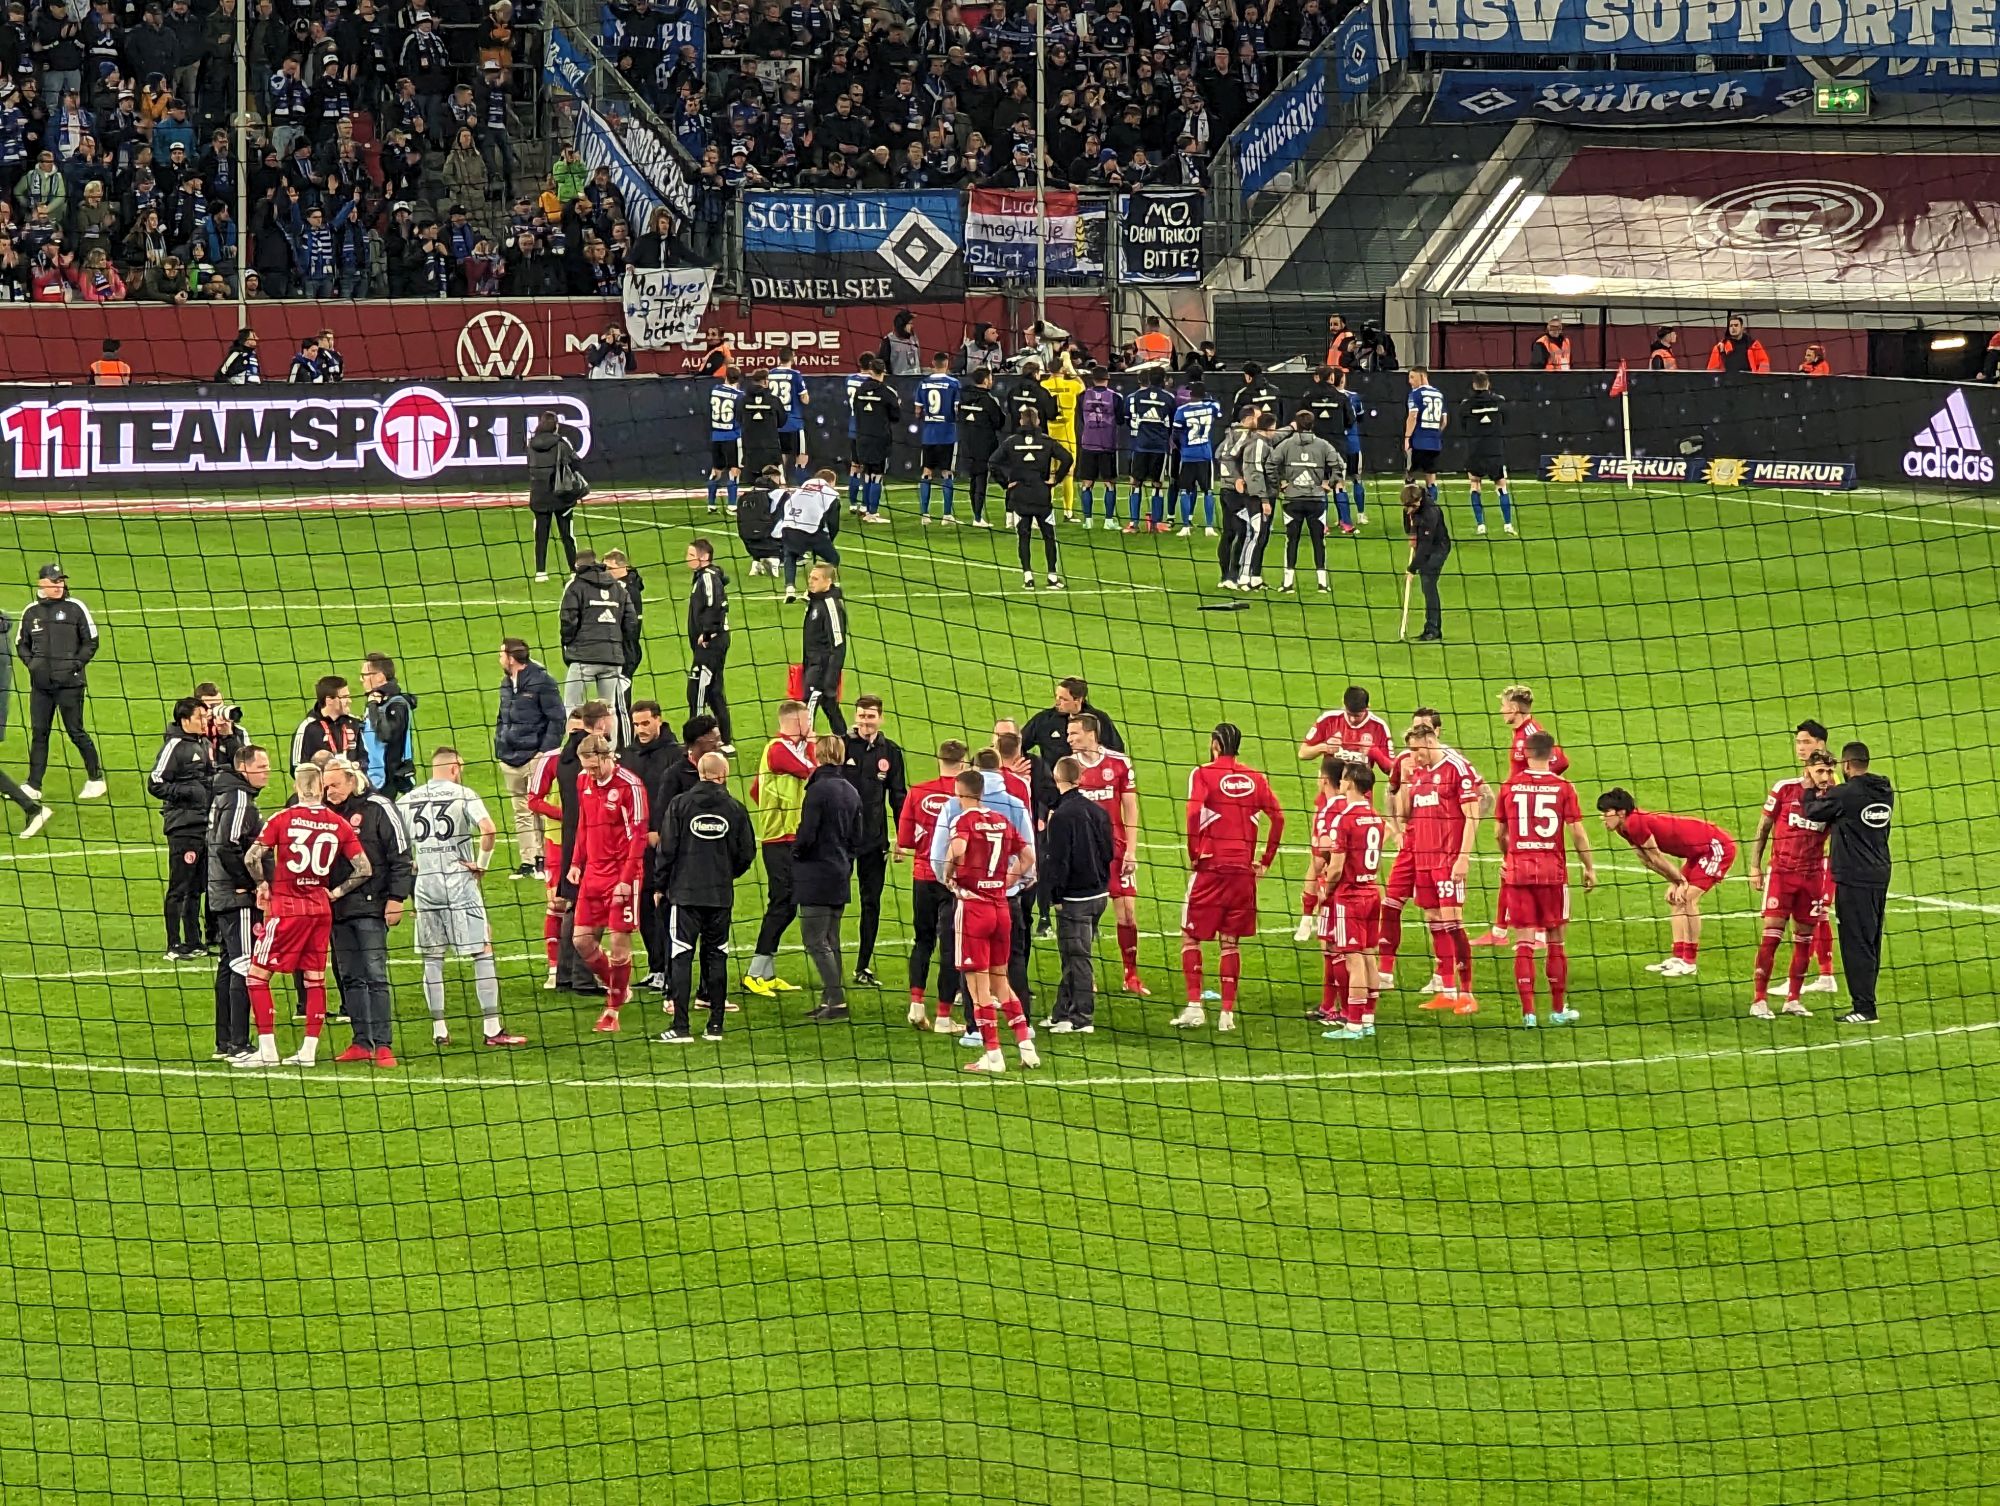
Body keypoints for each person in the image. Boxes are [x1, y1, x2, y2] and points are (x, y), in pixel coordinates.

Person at [232, 761, 371, 1069]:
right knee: (315, 979)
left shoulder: (283, 818)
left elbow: (252, 856)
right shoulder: (338, 823)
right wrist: (334, 893)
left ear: (297, 786)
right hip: (320, 911)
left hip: (288, 909)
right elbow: (364, 868)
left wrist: (261, 884)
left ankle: (267, 1050)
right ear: (322, 787)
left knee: (256, 976)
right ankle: (308, 1051)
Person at [400, 746, 524, 1049]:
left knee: (432, 958)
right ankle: (492, 1028)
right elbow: (489, 830)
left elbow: (396, 842)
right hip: (458, 882)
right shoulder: (463, 794)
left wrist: (411, 867)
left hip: (425, 885)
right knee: (482, 951)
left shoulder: (408, 799)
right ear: (455, 768)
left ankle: (439, 1030)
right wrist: (481, 863)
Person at [1177, 723, 1284, 1032]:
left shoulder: (1202, 774)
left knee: (1191, 936)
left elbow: (1192, 813)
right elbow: (1278, 817)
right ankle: (1227, 1014)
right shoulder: (1256, 777)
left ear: (1214, 744)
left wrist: (1195, 852)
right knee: (1230, 942)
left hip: (1212, 868)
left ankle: (1195, 1006)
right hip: (1242, 872)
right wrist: (1265, 860)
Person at [1493, 732, 1595, 1029]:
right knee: (1555, 942)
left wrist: (1508, 856)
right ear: (1552, 756)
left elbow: (1500, 834)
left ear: (1524, 753)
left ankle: (1528, 1014)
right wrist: (1589, 867)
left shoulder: (1509, 786)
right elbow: (1577, 832)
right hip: (1553, 873)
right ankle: (1557, 1008)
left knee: (1523, 942)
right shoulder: (1563, 787)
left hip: (1519, 871)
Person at [941, 769, 1039, 1074]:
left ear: (960, 792)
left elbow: (958, 850)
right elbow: (1028, 858)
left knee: (978, 987)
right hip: (1001, 908)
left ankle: (993, 1055)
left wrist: (947, 875)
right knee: (1001, 981)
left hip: (973, 909)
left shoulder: (964, 820)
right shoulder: (1001, 820)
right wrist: (1005, 881)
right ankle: (1027, 1047)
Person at [656, 749, 755, 1042]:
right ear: (723, 776)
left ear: (700, 773)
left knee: (681, 956)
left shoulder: (680, 805)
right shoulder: (735, 808)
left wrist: (661, 885)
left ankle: (681, 1026)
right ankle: (715, 1025)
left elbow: (666, 850)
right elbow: (746, 853)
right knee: (717, 956)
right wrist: (725, 874)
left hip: (685, 896)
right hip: (719, 897)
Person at [322, 755, 413, 1064]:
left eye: (334, 785)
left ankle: (383, 1044)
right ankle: (361, 1042)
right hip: (337, 907)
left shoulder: (379, 807)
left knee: (375, 974)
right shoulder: (325, 812)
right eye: (325, 786)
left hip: (373, 907)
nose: (329, 791)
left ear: (351, 780)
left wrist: (397, 897)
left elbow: (401, 855)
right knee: (350, 976)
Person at [1596, 787, 1737, 977]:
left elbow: (1656, 856)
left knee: (1687, 898)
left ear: (1621, 812)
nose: (1602, 818)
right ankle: (1678, 957)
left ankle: (1690, 962)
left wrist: (1680, 881)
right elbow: (1646, 860)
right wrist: (1675, 881)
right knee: (1675, 899)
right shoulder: (1623, 828)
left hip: (1716, 846)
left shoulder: (1635, 823)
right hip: (1696, 852)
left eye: (1606, 813)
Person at [1746, 719, 1840, 1003]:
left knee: (1804, 940)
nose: (1824, 776)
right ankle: (1759, 1000)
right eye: (1820, 770)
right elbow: (1763, 829)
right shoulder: (1785, 789)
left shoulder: (1836, 798)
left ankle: (1794, 1000)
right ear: (1808, 769)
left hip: (1812, 877)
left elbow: (1840, 840)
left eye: (1828, 771)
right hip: (1782, 875)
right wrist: (1754, 867)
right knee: (1771, 937)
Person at [1800, 740, 1894, 1025]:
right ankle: (1867, 1002)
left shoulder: (1847, 793)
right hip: (1880, 874)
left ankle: (1864, 1008)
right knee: (1871, 940)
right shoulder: (1886, 791)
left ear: (1847, 765)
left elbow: (1814, 812)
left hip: (1854, 877)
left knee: (1855, 942)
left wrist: (1806, 789)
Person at [1293, 685, 1394, 940]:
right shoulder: (1329, 720)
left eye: (1357, 715)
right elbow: (1303, 752)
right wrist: (1324, 747)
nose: (1352, 719)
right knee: (1318, 861)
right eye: (1350, 713)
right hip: (1328, 804)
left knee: (1357, 866)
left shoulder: (1379, 728)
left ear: (1366, 710)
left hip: (1359, 806)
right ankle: (1306, 919)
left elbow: (1391, 768)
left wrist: (1373, 753)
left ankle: (1344, 917)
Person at [567, 732, 649, 1032]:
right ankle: (619, 987)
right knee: (582, 941)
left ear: (607, 757)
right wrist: (576, 862)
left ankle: (612, 1010)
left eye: (593, 767)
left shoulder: (630, 786)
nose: (589, 773)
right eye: (585, 767)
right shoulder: (583, 782)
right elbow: (583, 823)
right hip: (593, 874)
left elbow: (638, 836)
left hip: (621, 874)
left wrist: (626, 881)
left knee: (618, 944)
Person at [1402, 722, 1486, 1014]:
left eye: (1415, 750)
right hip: (1423, 860)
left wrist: (1463, 857)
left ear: (1429, 740)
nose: (1414, 756)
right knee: (1433, 919)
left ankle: (1467, 993)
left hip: (1448, 859)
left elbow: (1473, 815)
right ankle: (1447, 990)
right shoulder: (1420, 774)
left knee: (1453, 922)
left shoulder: (1457, 768)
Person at [1067, 710, 1148, 996]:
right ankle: (1085, 978)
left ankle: (1131, 975)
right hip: (1085, 855)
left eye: (1073, 733)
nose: (1069, 738)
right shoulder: (1068, 766)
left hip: (1116, 851)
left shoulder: (1119, 763)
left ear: (1091, 733)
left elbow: (1131, 808)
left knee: (1127, 913)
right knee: (1085, 917)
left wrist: (1132, 850)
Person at [15, 563, 106, 802]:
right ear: (41, 583)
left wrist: (75, 665)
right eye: (54, 582)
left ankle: (95, 779)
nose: (58, 586)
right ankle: (34, 785)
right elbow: (20, 644)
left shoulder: (76, 608)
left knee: (75, 731)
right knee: (39, 733)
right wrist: (32, 665)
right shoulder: (31, 611)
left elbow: (91, 641)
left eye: (61, 581)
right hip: (41, 687)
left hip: (70, 685)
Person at [743, 699, 815, 996]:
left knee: (786, 904)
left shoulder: (788, 748)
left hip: (789, 835)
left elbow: (755, 790)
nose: (811, 727)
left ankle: (767, 973)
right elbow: (812, 770)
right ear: (797, 723)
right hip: (778, 839)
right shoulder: (778, 748)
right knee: (782, 903)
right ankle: (753, 973)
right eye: (808, 721)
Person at [897, 739, 969, 1031]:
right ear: (964, 763)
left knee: (922, 941)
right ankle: (943, 1016)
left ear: (938, 759)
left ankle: (916, 1004)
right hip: (953, 882)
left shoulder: (918, 791)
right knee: (951, 947)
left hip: (922, 876)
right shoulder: (968, 797)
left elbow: (903, 840)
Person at [1317, 761, 1390, 1041]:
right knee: (1370, 954)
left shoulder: (1344, 818)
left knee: (1354, 959)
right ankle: (1369, 1018)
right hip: (1372, 891)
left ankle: (1355, 1025)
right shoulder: (1375, 817)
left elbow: (1335, 867)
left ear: (1347, 783)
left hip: (1350, 896)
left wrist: (1327, 890)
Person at [1041, 753, 1113, 1032]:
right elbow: (1109, 852)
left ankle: (1082, 1018)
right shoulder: (1098, 811)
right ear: (1080, 778)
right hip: (1099, 896)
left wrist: (1055, 898)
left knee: (1077, 957)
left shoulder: (1060, 816)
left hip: (1075, 900)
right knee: (1073, 955)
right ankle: (1061, 1013)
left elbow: (1059, 862)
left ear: (1057, 778)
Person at [207, 742, 269, 1060]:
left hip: (220, 891)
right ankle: (239, 1044)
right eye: (261, 767)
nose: (267, 772)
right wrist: (251, 883)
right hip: (235, 896)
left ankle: (224, 1042)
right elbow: (227, 846)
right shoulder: (240, 798)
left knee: (229, 965)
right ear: (243, 768)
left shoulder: (224, 794)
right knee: (245, 966)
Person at [1376, 705, 1445, 989]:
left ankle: (1443, 976)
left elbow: (1482, 798)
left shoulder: (1450, 763)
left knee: (1438, 914)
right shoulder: (1405, 759)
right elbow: (1394, 799)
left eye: (1424, 729)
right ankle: (1384, 973)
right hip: (1411, 845)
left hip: (1437, 849)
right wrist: (1395, 829)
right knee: (1390, 904)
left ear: (1435, 733)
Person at [793, 733, 861, 1021]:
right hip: (841, 871)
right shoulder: (851, 790)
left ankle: (837, 1000)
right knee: (831, 939)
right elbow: (858, 837)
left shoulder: (818, 790)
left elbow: (807, 833)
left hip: (816, 873)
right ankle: (829, 1000)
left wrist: (795, 852)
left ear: (818, 756)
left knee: (814, 940)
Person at [841, 695, 905, 988]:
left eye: (871, 717)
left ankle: (863, 966)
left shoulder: (891, 752)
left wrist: (902, 838)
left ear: (881, 718)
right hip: (840, 841)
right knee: (833, 902)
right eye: (861, 716)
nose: (866, 722)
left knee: (871, 902)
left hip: (874, 841)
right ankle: (831, 968)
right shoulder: (843, 746)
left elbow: (898, 797)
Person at [494, 637, 566, 880]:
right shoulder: (506, 683)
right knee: (520, 811)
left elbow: (557, 718)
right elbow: (501, 717)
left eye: (501, 654)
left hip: (535, 755)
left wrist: (545, 752)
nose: (499, 658)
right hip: (510, 756)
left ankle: (544, 860)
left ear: (511, 658)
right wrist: (499, 745)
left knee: (540, 807)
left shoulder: (542, 682)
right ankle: (527, 861)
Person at [151, 696, 217, 961]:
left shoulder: (203, 743)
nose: (205, 722)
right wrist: (188, 791)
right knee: (179, 886)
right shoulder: (174, 745)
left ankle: (194, 941)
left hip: (204, 824)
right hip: (183, 827)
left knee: (197, 887)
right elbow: (155, 782)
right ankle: (173, 944)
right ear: (184, 720)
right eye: (200, 718)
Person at [991, 405, 1072, 590]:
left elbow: (993, 462)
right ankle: (1052, 576)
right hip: (1042, 494)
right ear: (1037, 421)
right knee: (1049, 536)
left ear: (1020, 421)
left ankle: (1028, 577)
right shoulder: (1047, 441)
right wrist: (1055, 479)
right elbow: (1067, 458)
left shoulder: (1011, 442)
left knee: (1023, 536)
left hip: (1020, 496)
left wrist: (1005, 483)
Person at [559, 550, 636, 740]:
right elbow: (631, 621)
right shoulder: (617, 586)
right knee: (609, 709)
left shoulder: (576, 586)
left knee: (573, 706)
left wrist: (569, 643)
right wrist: (617, 642)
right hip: (612, 658)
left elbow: (568, 619)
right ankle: (609, 752)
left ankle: (575, 751)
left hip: (584, 657)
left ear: (577, 566)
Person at [1269, 407, 1346, 595]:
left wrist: (1280, 483)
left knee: (1291, 541)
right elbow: (1340, 464)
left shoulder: (1286, 444)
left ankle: (1287, 584)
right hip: (1316, 500)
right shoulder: (1323, 445)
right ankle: (1322, 583)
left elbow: (1270, 463)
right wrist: (1331, 483)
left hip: (1292, 500)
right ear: (1313, 425)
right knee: (1318, 541)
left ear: (1296, 425)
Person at [684, 538, 733, 749]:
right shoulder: (703, 577)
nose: (687, 559)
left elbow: (715, 605)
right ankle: (725, 740)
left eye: (690, 555)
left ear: (703, 557)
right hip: (710, 643)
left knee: (698, 690)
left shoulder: (708, 578)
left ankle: (697, 741)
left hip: (710, 644)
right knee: (713, 692)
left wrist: (707, 633)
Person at [525, 410, 584, 580]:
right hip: (561, 494)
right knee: (567, 535)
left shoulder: (531, 445)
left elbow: (529, 466)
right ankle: (573, 570)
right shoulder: (561, 443)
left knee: (540, 536)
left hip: (539, 496)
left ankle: (540, 572)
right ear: (555, 426)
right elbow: (575, 462)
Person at [1457, 371, 1514, 536]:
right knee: (1501, 486)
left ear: (1474, 385)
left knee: (1475, 485)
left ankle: (1480, 525)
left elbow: (1463, 425)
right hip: (1494, 451)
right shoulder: (1500, 402)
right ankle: (1508, 524)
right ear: (1488, 384)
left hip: (1475, 451)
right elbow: (1506, 421)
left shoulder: (1466, 405)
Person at [1023, 678, 1124, 766]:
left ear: (1078, 700)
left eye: (1063, 699)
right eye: (1057, 696)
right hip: (1052, 784)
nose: (1057, 702)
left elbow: (1116, 751)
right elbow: (1018, 746)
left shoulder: (1098, 719)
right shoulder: (1044, 720)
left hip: (1090, 783)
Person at [776, 468, 842, 600]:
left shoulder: (800, 489)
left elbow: (785, 507)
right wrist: (830, 540)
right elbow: (833, 522)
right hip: (810, 530)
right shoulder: (830, 494)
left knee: (790, 555)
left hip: (788, 527)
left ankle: (790, 589)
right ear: (831, 481)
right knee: (833, 558)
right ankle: (811, 591)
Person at [358, 652, 417, 797]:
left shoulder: (397, 704)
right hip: (371, 778)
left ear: (379, 676)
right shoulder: (380, 701)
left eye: (364, 675)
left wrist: (372, 706)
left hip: (387, 782)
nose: (361, 679)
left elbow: (386, 734)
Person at [1075, 367, 1126, 531]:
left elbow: (1081, 419)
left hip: (1088, 443)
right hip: (1107, 445)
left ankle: (1088, 520)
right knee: (1109, 483)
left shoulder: (1082, 396)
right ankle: (1108, 520)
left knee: (1087, 483)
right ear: (1107, 379)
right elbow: (1120, 420)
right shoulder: (1116, 397)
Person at [850, 356, 901, 521]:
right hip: (880, 439)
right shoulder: (888, 392)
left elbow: (855, 410)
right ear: (884, 371)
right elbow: (896, 417)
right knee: (877, 475)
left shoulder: (860, 390)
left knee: (866, 473)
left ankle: (865, 508)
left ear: (870, 370)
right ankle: (872, 513)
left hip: (862, 437)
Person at [800, 563, 849, 734]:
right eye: (810, 577)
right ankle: (845, 741)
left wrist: (830, 678)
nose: (810, 581)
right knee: (829, 705)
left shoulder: (830, 605)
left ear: (828, 582)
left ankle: (805, 748)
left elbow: (838, 644)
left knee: (807, 707)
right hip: (813, 665)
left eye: (815, 578)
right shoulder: (816, 602)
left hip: (822, 668)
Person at [1128, 366, 1177, 531]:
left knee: (1135, 483)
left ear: (1148, 379)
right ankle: (1155, 524)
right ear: (1164, 380)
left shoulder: (1137, 396)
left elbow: (1130, 418)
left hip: (1141, 445)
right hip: (1159, 447)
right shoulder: (1169, 398)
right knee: (1158, 483)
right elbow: (1172, 423)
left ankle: (1133, 524)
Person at [955, 368, 1006, 527]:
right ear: (985, 380)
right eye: (990, 378)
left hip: (966, 444)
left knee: (973, 479)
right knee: (981, 479)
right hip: (983, 445)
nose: (992, 381)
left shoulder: (963, 397)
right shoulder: (989, 401)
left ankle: (976, 515)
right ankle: (978, 517)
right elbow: (999, 423)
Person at [1170, 381, 1223, 535]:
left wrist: (1182, 447)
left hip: (1187, 455)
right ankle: (1209, 527)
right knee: (1208, 491)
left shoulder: (1181, 410)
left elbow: (1175, 434)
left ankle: (1186, 526)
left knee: (1185, 491)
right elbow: (1218, 412)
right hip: (1205, 454)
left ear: (1190, 394)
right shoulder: (1211, 407)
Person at [1403, 480, 1452, 643]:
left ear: (1419, 501)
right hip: (1425, 546)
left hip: (1438, 548)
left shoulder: (1431, 512)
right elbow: (1409, 527)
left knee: (1428, 582)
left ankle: (1433, 629)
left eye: (1412, 507)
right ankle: (1431, 628)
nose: (1409, 510)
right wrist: (1412, 534)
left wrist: (1411, 568)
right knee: (1427, 584)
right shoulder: (1410, 506)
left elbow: (1425, 546)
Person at [915, 351, 961, 523]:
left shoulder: (923, 383)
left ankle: (924, 515)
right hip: (947, 434)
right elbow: (957, 409)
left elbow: (918, 410)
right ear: (947, 364)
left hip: (929, 435)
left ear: (933, 363)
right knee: (947, 473)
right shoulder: (954, 383)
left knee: (926, 472)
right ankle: (947, 515)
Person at [1042, 351, 1085, 520]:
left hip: (1049, 434)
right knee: (1068, 472)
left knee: (1050, 474)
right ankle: (1068, 512)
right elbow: (1082, 386)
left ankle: (1048, 511)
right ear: (1063, 368)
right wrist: (1070, 368)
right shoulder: (1071, 385)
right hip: (1067, 436)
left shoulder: (1044, 385)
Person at [290, 675, 364, 766]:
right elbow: (297, 766)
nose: (349, 701)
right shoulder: (308, 728)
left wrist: (357, 766)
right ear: (329, 700)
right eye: (344, 697)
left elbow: (365, 758)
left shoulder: (353, 723)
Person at [767, 343, 811, 482]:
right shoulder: (795, 375)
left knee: (781, 453)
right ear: (793, 358)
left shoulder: (770, 373)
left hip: (776, 421)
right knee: (801, 453)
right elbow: (804, 399)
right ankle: (800, 482)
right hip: (794, 421)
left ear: (778, 358)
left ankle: (781, 481)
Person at [736, 464, 789, 578]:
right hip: (774, 544)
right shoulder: (781, 495)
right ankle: (775, 561)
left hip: (750, 545)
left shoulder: (746, 495)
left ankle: (757, 562)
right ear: (774, 477)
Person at [706, 363, 745, 515]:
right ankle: (732, 505)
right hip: (732, 436)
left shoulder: (715, 390)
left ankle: (710, 504)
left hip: (716, 435)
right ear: (739, 378)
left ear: (725, 376)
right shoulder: (740, 396)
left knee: (716, 470)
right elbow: (740, 417)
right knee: (734, 470)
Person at [1404, 367, 1446, 501]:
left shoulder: (1415, 394)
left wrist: (1407, 437)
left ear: (1422, 377)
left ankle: (1412, 511)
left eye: (1412, 377)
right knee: (1431, 478)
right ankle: (1432, 509)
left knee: (1410, 476)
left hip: (1418, 441)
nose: (1410, 381)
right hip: (1434, 442)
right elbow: (1444, 420)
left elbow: (1413, 416)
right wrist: (1435, 433)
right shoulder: (1439, 394)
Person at [1707, 314, 1771, 373]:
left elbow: (1764, 363)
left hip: (1749, 383)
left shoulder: (1754, 345)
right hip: (1727, 383)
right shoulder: (1720, 347)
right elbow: (1712, 370)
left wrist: (1760, 380)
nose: (1733, 328)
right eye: (1731, 326)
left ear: (1742, 327)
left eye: (1736, 325)